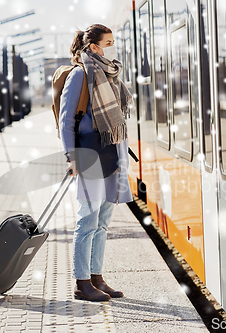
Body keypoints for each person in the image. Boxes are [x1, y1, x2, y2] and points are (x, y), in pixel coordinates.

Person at [59, 24, 134, 301]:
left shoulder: (108, 74)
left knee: (102, 222)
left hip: (111, 154)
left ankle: (97, 277)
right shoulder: (79, 75)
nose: (111, 48)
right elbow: (66, 121)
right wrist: (71, 156)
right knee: (87, 220)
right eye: (108, 43)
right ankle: (82, 282)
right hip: (89, 156)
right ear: (93, 46)